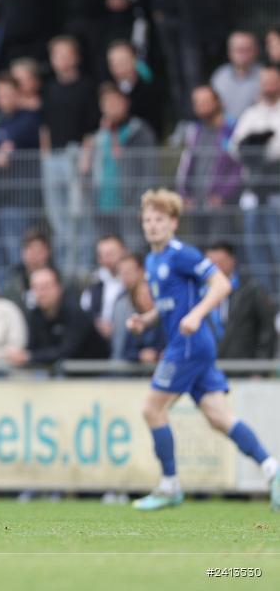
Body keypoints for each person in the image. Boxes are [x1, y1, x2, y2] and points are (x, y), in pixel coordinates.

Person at [126, 189, 279, 511]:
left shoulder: (183, 253)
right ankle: (272, 468)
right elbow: (169, 306)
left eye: (159, 220)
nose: (152, 226)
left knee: (152, 410)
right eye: (147, 220)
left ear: (173, 222)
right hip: (190, 345)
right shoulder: (153, 260)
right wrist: (147, 318)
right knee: (218, 416)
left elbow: (222, 285)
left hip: (189, 346)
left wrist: (196, 314)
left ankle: (169, 486)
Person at [40, 35, 99, 277]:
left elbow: (91, 128)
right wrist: (44, 156)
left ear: (75, 57)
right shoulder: (50, 88)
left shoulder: (86, 87)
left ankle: (84, 267)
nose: (61, 60)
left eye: (66, 54)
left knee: (80, 214)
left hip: (75, 155)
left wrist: (86, 157)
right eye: (57, 55)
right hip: (52, 158)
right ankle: (65, 269)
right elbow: (45, 125)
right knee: (58, 216)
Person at [0, 72, 41, 276]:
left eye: (7, 94)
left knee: (18, 254)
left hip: (20, 200)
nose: (2, 100)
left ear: (17, 93)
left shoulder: (29, 119)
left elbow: (16, 142)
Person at [228, 66, 280, 295]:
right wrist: (260, 146)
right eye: (264, 81)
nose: (268, 85)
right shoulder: (251, 114)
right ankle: (267, 300)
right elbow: (234, 147)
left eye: (272, 81)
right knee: (255, 249)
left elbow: (276, 151)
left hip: (276, 192)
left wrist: (253, 147)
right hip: (252, 192)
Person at [90, 83, 157, 245]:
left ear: (126, 103)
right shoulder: (99, 135)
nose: (111, 107)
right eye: (107, 103)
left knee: (134, 249)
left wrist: (141, 201)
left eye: (115, 102)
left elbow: (150, 169)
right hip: (103, 205)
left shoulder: (139, 131)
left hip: (130, 205)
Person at [175, 85, 242, 240]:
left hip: (224, 205)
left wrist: (224, 195)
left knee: (221, 248)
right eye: (197, 102)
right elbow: (186, 166)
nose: (201, 106)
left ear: (218, 102)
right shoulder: (195, 131)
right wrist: (184, 194)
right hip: (197, 204)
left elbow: (240, 168)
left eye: (205, 101)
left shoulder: (233, 129)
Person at [6, 267, 109, 367]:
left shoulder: (76, 314)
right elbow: (33, 348)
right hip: (59, 377)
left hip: (95, 375)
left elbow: (66, 351)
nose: (41, 293)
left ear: (59, 288)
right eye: (36, 288)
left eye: (46, 287)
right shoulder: (35, 315)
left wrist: (29, 357)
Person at [205, 242, 277, 359]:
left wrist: (260, 369)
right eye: (211, 263)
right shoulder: (198, 293)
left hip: (244, 369)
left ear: (232, 261)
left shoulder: (251, 290)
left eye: (220, 262)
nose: (215, 267)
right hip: (208, 368)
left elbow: (267, 331)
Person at [110, 253, 164, 363]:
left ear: (141, 270)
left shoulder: (164, 311)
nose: (125, 275)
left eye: (129, 271)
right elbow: (122, 346)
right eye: (122, 272)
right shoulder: (120, 302)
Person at [107, 40, 162, 137]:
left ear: (134, 60)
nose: (118, 66)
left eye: (122, 61)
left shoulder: (149, 89)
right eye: (114, 62)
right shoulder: (107, 91)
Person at [80, 235, 128, 342]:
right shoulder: (92, 283)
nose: (108, 259)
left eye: (111, 253)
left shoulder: (135, 281)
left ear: (124, 251)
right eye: (103, 255)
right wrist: (97, 325)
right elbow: (84, 313)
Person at [211, 31, 262, 120]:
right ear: (230, 52)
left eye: (248, 50)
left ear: (256, 51)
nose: (244, 55)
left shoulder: (265, 75)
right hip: (226, 130)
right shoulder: (220, 76)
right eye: (239, 50)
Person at [1, 229, 54, 315]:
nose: (34, 257)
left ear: (47, 252)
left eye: (38, 251)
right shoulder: (14, 284)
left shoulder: (58, 281)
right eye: (30, 251)